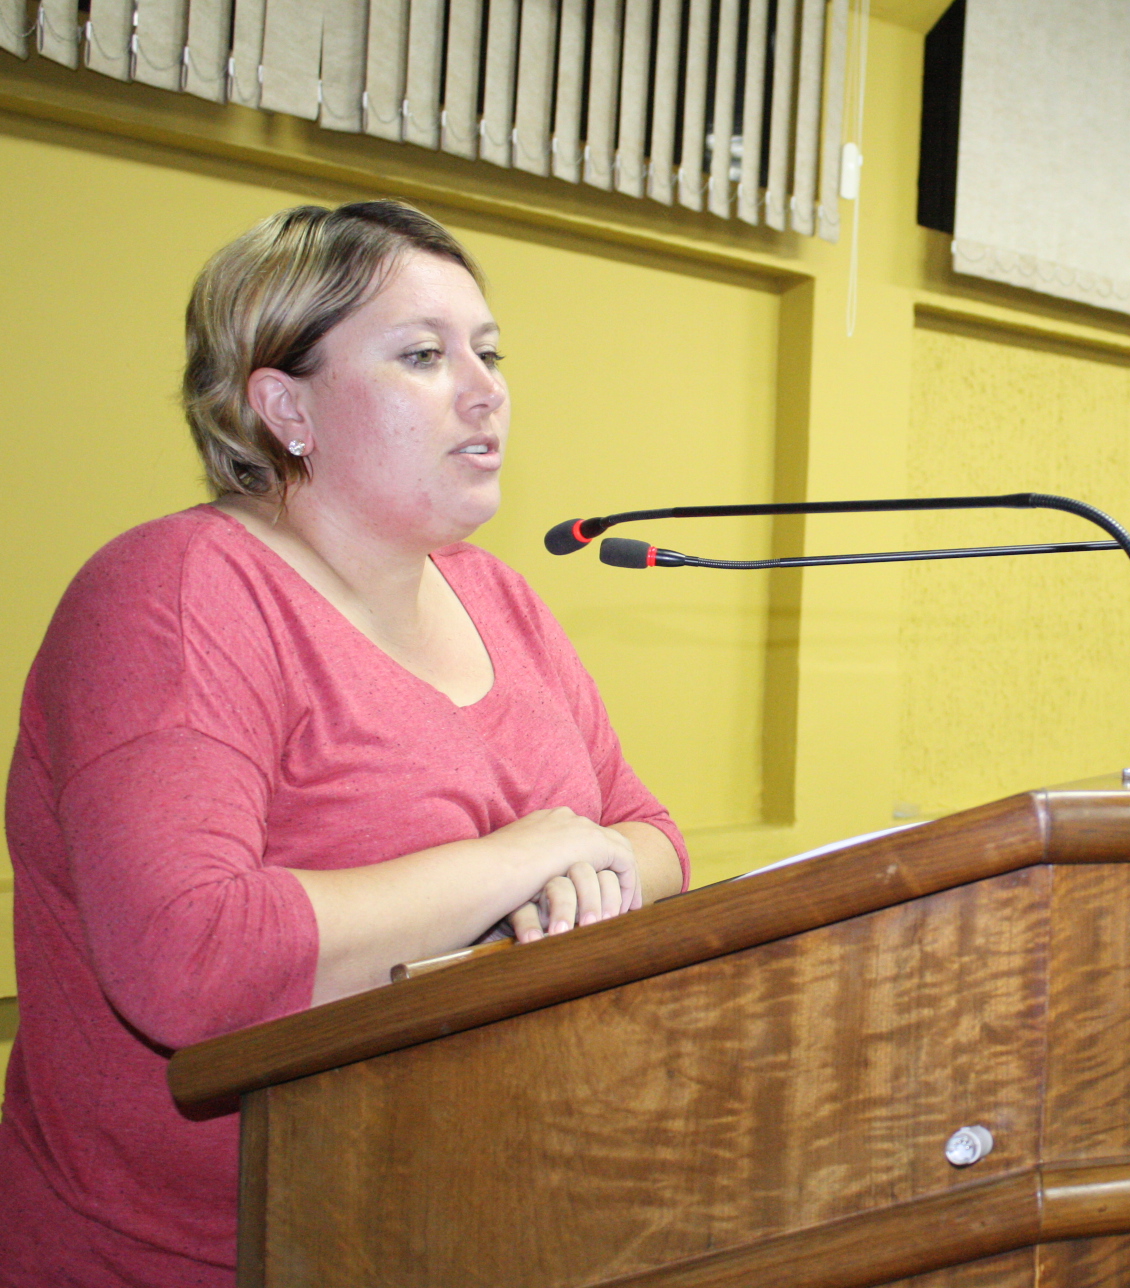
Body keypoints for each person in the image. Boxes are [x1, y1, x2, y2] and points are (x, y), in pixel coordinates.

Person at [0, 202, 689, 1286]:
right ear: (285, 406)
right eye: (423, 355)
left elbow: (649, 836)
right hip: (202, 1254)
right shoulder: (175, 595)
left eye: (490, 351)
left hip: (477, 1220)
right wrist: (520, 861)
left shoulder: (496, 596)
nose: (485, 390)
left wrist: (573, 875)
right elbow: (189, 960)